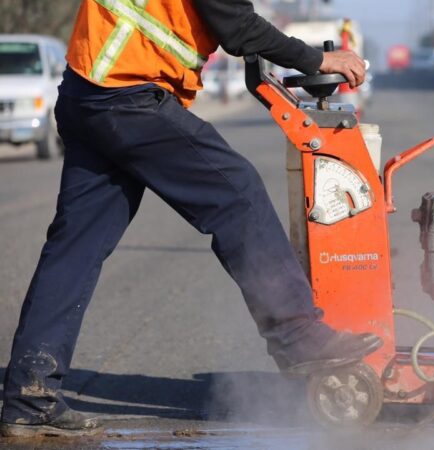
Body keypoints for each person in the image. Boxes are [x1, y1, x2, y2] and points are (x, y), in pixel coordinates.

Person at [1, 0, 380, 438]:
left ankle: (29, 397)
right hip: (128, 97)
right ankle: (298, 337)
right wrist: (317, 59)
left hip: (90, 91)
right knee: (237, 193)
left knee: (74, 251)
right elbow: (236, 27)